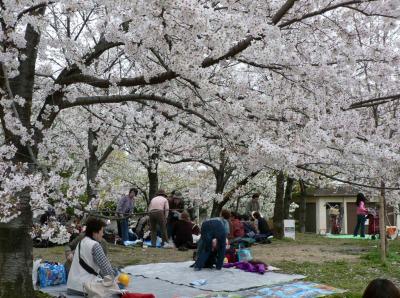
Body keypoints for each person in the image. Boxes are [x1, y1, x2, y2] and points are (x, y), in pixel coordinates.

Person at [67, 218, 114, 296]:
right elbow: (107, 270)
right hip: (86, 288)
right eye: (102, 231)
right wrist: (115, 281)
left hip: (71, 286)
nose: (103, 234)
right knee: (116, 281)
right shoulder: (95, 245)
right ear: (95, 232)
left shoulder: (81, 242)